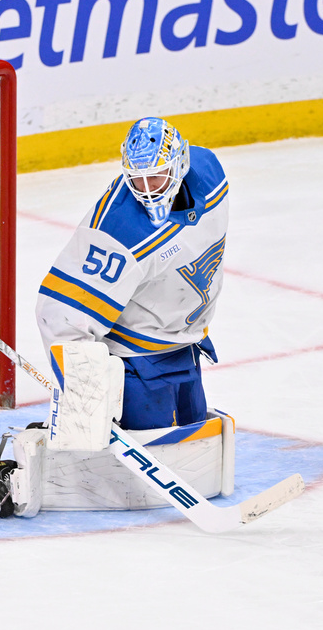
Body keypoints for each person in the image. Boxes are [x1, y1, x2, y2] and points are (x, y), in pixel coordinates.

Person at [35, 116, 230, 431]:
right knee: (145, 463)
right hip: (135, 361)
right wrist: (87, 397)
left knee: (194, 449)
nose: (146, 189)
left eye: (156, 176)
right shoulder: (118, 231)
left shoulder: (210, 173)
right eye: (137, 178)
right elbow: (59, 316)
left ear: (179, 164)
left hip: (185, 348)